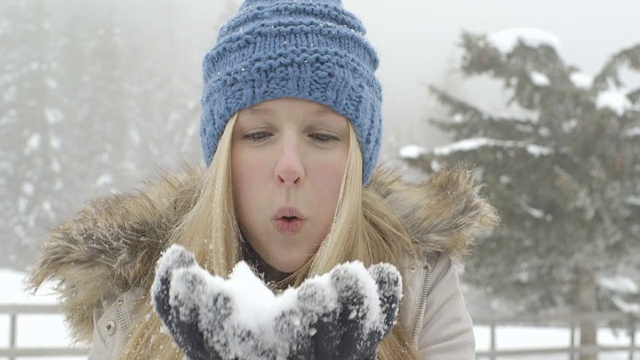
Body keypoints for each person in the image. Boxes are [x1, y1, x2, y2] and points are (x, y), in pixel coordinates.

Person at [27, 0, 498, 359]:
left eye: (321, 135)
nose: (289, 166)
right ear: (222, 157)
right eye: (257, 133)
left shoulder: (418, 288)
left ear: (357, 161)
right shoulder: (135, 299)